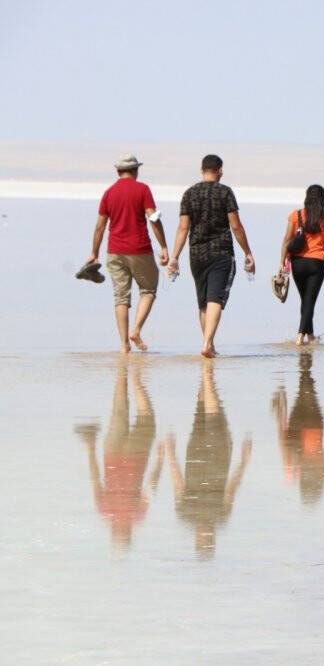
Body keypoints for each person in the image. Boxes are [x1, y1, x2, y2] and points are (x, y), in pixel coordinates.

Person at [167, 154, 255, 358]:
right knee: (215, 298)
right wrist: (248, 252)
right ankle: (207, 343)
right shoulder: (225, 192)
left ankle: (209, 344)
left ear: (202, 170)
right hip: (221, 252)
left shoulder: (189, 193)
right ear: (220, 170)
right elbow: (236, 225)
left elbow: (183, 228)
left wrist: (174, 257)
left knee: (203, 301)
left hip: (196, 254)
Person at [74, 358, 163, 550]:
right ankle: (124, 371)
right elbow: (95, 478)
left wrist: (161, 459)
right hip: (111, 453)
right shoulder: (104, 511)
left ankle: (137, 375)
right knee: (119, 406)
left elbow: (151, 486)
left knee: (146, 418)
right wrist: (91, 448)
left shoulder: (137, 515)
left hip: (136, 454)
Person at [166, 362, 252, 559]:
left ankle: (207, 373)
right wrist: (244, 461)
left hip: (205, 459)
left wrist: (170, 454)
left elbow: (179, 485)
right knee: (207, 415)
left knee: (207, 415)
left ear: (197, 539)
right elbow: (231, 488)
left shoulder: (195, 515)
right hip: (205, 459)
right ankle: (206, 372)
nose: (206, 534)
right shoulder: (211, 516)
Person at [86, 153, 169, 353]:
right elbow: (153, 218)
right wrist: (164, 246)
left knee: (121, 298)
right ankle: (136, 330)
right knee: (148, 290)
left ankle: (124, 344)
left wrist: (94, 253)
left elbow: (99, 227)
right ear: (136, 170)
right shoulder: (142, 189)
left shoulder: (109, 193)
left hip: (114, 251)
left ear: (118, 171)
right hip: (140, 249)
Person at [278, 184, 324, 345]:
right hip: (317, 264)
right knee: (309, 301)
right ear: (323, 199)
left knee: (306, 299)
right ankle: (300, 336)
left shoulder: (296, 215)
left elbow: (286, 240)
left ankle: (310, 336)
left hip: (297, 263)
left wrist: (282, 263)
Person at [271, 352, 324, 504]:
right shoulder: (292, 473)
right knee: (304, 393)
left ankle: (305, 367)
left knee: (307, 394)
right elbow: (283, 445)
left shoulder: (320, 470)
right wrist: (281, 420)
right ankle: (305, 368)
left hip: (311, 426)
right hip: (304, 427)